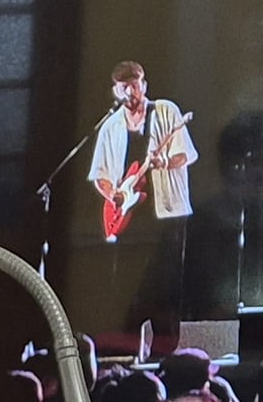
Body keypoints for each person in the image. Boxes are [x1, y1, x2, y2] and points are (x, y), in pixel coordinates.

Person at [78, 59, 196, 355]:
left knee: (167, 282)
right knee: (128, 282)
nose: (132, 91)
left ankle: (164, 350)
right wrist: (113, 196)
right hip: (130, 214)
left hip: (167, 211)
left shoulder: (166, 111)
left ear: (144, 85)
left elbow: (184, 154)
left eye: (136, 84)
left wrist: (163, 163)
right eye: (125, 87)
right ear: (115, 91)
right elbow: (100, 175)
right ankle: (127, 349)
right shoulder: (110, 126)